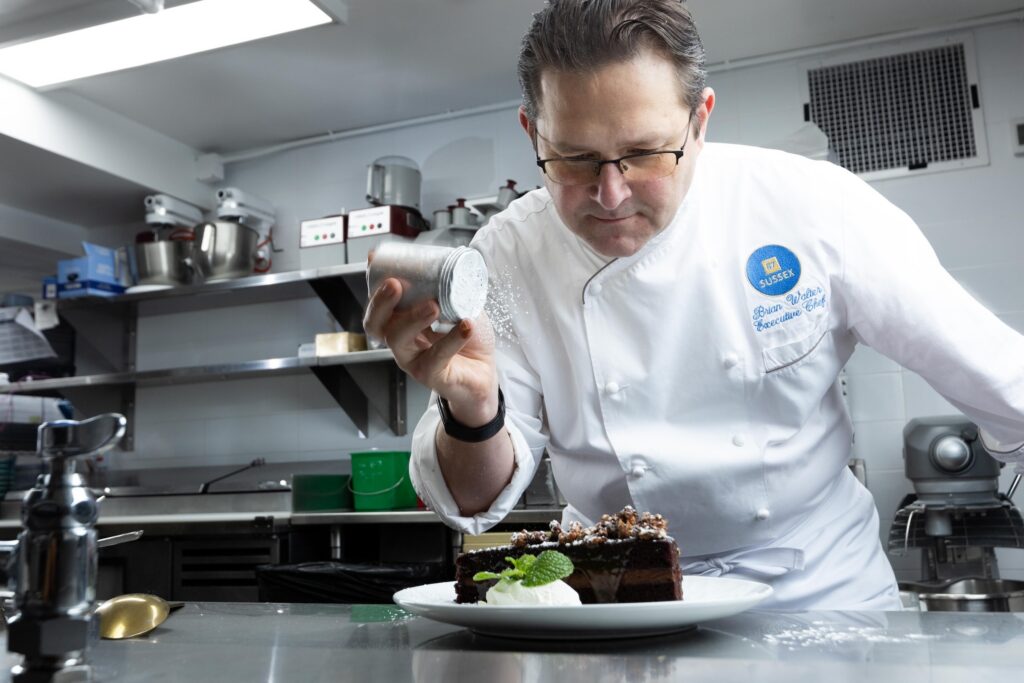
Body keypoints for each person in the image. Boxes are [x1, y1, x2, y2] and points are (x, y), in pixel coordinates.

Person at [363, 0, 1024, 610]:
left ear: (701, 121)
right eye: (573, 160)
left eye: (645, 153)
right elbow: (474, 499)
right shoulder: (509, 250)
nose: (612, 195)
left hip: (817, 596)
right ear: (533, 133)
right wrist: (473, 412)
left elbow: (1007, 387)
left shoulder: (813, 207)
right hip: (617, 603)